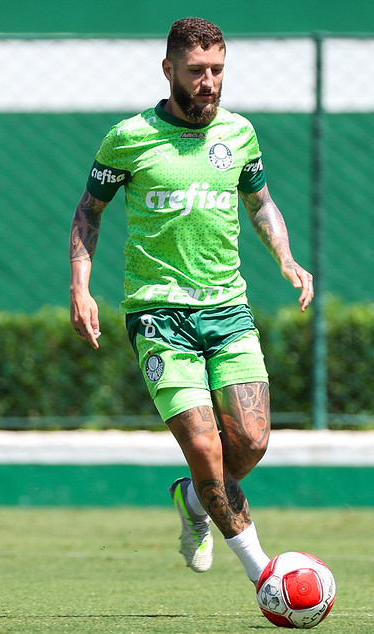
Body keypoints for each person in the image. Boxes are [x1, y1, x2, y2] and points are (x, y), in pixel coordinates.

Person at [69, 17, 314, 585]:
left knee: (249, 443)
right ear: (169, 69)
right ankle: (265, 577)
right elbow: (89, 210)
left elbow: (260, 201)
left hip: (228, 310)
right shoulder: (129, 138)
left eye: (217, 70)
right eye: (197, 70)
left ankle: (195, 498)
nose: (209, 82)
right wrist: (81, 286)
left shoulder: (239, 133)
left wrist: (285, 256)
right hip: (158, 313)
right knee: (205, 447)